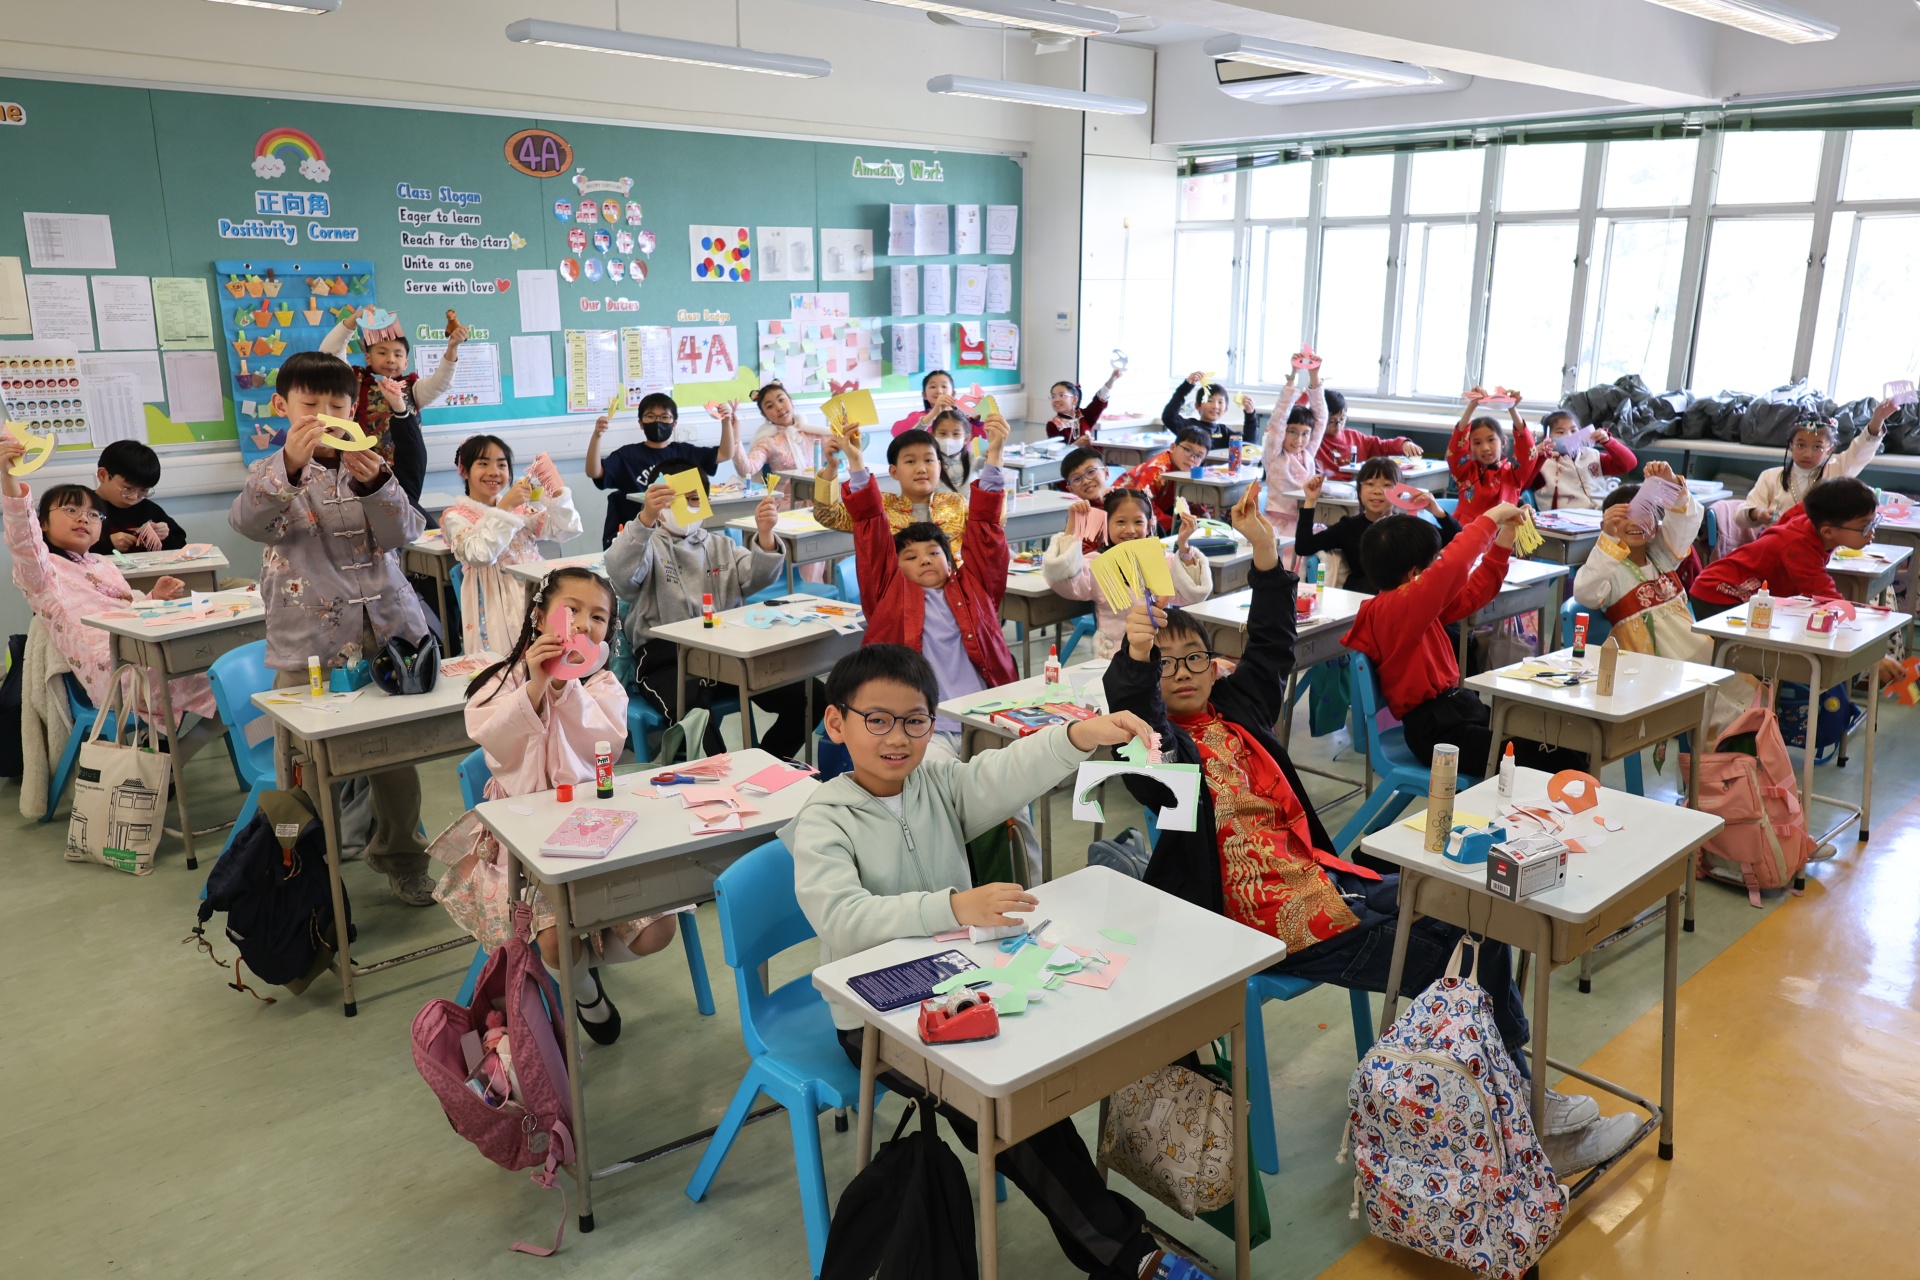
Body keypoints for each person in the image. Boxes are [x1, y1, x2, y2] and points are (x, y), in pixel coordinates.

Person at [1098, 488, 1629, 1173]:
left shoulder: (1236, 708)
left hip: (1326, 883)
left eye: (1194, 658)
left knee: (1479, 911)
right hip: (1263, 925)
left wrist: (1266, 553)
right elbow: (1137, 729)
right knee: (1453, 953)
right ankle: (1527, 1125)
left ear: (1214, 663)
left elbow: (1272, 644)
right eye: (1165, 666)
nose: (1183, 675)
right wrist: (1137, 659)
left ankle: (1514, 1095)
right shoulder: (1162, 751)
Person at [787, 643, 1203, 1280]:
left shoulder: (934, 782)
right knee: (1004, 1108)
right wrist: (954, 906)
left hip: (962, 982)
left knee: (1040, 1086)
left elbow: (1004, 772)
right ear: (836, 723)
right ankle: (1126, 1254)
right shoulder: (823, 818)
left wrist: (1079, 736)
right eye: (878, 720)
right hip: (877, 1016)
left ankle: (1120, 1240)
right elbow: (842, 918)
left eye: (915, 721)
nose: (897, 738)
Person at [429, 567, 678, 1043]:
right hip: (524, 844)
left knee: (658, 929)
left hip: (592, 827)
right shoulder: (500, 682)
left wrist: (566, 686)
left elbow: (602, 745)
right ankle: (584, 991)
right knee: (554, 938)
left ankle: (574, 967)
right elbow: (494, 740)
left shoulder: (604, 687)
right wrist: (537, 685)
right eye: (572, 611)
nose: (584, 624)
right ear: (541, 617)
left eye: (598, 617)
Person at [229, 351, 434, 906]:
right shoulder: (269, 472)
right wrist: (290, 470)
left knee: (395, 760)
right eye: (310, 404)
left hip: (386, 635)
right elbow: (248, 522)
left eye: (337, 406)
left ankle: (402, 856)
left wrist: (380, 486)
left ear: (353, 411)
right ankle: (306, 873)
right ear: (282, 407)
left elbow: (405, 534)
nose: (324, 415)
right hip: (310, 644)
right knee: (306, 765)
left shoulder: (370, 462)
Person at [1, 437, 221, 746]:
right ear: (42, 524)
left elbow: (125, 610)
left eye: (94, 515)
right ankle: (176, 752)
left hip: (139, 650)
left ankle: (170, 751)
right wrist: (7, 475)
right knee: (227, 677)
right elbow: (22, 537)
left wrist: (153, 597)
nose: (83, 518)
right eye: (71, 509)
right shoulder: (42, 571)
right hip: (114, 672)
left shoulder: (103, 563)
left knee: (224, 665)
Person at [1345, 504, 1578, 772]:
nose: (1437, 566)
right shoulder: (1395, 609)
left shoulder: (1411, 607)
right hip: (1438, 733)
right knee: (1550, 755)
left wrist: (1506, 535)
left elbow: (1471, 594)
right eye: (1433, 562)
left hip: (1458, 711)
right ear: (1414, 574)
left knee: (1557, 739)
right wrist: (1491, 517)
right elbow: (1454, 564)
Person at [606, 461, 816, 759]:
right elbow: (621, 573)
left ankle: (767, 764)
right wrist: (645, 519)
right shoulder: (647, 545)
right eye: (673, 499)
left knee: (812, 697)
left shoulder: (721, 545)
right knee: (698, 726)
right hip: (666, 657)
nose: (686, 507)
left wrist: (766, 534)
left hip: (727, 652)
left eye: (695, 499)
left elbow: (757, 576)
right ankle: (726, 775)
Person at [440, 434, 584, 656]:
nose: (494, 472)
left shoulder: (520, 510)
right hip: (494, 604)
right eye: (483, 464)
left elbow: (565, 529)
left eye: (501, 464)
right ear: (464, 471)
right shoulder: (456, 517)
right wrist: (505, 508)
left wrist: (557, 493)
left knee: (547, 655)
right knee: (507, 663)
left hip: (535, 594)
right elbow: (480, 554)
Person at [1040, 488, 1211, 660]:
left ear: (1150, 525)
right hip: (1115, 656)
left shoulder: (1161, 560)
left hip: (1162, 655)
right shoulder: (1096, 564)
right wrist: (1072, 528)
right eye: (1121, 522)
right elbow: (1066, 583)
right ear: (1106, 524)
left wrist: (1184, 545)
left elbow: (1192, 594)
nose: (1130, 530)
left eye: (1138, 522)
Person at [319, 308, 466, 507]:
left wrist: (452, 349)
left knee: (398, 516)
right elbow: (329, 353)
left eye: (398, 355)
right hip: (351, 470)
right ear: (368, 358)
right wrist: (354, 319)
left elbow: (442, 381)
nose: (390, 359)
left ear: (406, 362)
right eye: (382, 352)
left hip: (399, 476)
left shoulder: (413, 389)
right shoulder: (352, 381)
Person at [1572, 461, 1712, 662]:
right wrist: (1609, 537)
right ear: (1607, 525)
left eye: (1644, 513)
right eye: (1624, 516)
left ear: (1656, 525)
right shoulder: (1608, 570)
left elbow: (1686, 522)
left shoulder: (1662, 555)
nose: (1634, 522)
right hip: (1645, 663)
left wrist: (1671, 482)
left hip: (1693, 655)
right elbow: (1585, 593)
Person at [1691, 476, 1887, 619]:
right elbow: (1826, 597)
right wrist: (1862, 617)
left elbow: (1803, 505)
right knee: (1746, 652)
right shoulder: (1800, 547)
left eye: (1874, 522)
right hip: (1720, 593)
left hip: (1737, 590)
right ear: (1828, 531)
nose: (1872, 532)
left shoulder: (1813, 519)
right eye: (1865, 526)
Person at [587, 393, 738, 549]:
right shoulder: (627, 455)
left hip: (679, 534)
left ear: (674, 424)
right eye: (650, 416)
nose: (657, 422)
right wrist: (597, 436)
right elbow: (594, 472)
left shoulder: (685, 453)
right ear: (641, 423)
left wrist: (726, 421)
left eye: (665, 417)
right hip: (641, 534)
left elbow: (725, 454)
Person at [1294, 459, 1459, 595]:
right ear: (1359, 490)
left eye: (1387, 485)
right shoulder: (1348, 527)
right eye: (1370, 484)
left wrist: (1438, 512)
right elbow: (1304, 546)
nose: (1377, 491)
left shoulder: (1408, 525)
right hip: (1363, 595)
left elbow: (1458, 540)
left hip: (1405, 594)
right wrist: (1310, 501)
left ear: (1400, 492)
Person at [812, 424, 974, 554]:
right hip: (899, 585)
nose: (921, 469)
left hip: (953, 585)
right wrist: (832, 466)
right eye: (910, 461)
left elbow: (985, 529)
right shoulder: (881, 507)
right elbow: (828, 515)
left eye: (928, 460)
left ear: (939, 467)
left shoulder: (956, 503)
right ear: (894, 472)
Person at [1737, 403, 1892, 532]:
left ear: (1830, 449)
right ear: (1790, 445)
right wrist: (1758, 513)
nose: (1807, 454)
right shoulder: (1770, 477)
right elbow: (1740, 517)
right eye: (1800, 445)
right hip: (1777, 546)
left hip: (1821, 548)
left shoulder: (1837, 471)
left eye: (1817, 447)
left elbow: (1861, 450)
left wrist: (1877, 420)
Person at [1259, 351, 1329, 541]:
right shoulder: (1275, 454)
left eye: (1305, 433)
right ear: (1284, 431)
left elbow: (1321, 418)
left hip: (1304, 520)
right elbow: (1278, 419)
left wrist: (1314, 376)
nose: (1298, 439)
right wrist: (1292, 377)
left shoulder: (1307, 453)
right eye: (1292, 432)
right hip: (1278, 524)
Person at [1447, 388, 1539, 525]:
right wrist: (1472, 406)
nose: (1485, 447)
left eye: (1491, 440)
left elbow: (1527, 452)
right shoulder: (1465, 472)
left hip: (1502, 534)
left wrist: (1512, 408)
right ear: (1469, 447)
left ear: (1503, 441)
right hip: (1467, 533)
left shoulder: (1513, 474)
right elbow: (1456, 449)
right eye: (1477, 443)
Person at [731, 379, 833, 498]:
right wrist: (735, 434)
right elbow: (746, 470)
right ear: (764, 415)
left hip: (820, 499)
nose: (779, 408)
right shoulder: (768, 442)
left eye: (781, 400)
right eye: (770, 406)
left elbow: (843, 445)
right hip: (787, 503)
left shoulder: (813, 433)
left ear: (790, 400)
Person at [89, 440, 187, 553]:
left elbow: (182, 547)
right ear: (103, 475)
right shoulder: (82, 509)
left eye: (143, 491)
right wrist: (107, 544)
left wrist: (166, 537)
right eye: (128, 488)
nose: (134, 497)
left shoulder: (149, 510)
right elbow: (71, 551)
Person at [1530, 410, 1639, 510]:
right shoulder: (1544, 463)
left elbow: (1629, 464)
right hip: (1562, 517)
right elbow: (1524, 484)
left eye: (1574, 430)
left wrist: (1608, 441)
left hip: (1599, 513)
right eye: (1560, 432)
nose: (1569, 436)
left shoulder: (1591, 455)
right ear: (1547, 437)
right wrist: (1537, 457)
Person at [1118, 424, 1211, 534]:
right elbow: (1141, 502)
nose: (1192, 458)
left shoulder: (1186, 469)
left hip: (1153, 508)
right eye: (1187, 450)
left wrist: (1201, 513)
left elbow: (1185, 496)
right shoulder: (1157, 469)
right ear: (1173, 447)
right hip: (1123, 507)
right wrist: (1171, 524)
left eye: (1199, 456)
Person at [1314, 388, 1422, 474]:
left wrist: (1403, 443)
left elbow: (1382, 446)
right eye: (1332, 421)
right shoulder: (1314, 441)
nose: (1338, 425)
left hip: (1358, 487)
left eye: (1342, 419)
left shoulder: (1355, 437)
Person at [1162, 371, 1258, 449]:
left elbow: (1249, 443)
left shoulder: (1224, 432)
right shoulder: (1189, 428)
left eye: (1220, 402)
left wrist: (1250, 414)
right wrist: (1183, 390)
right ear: (1198, 406)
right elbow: (1169, 417)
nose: (1215, 406)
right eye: (1209, 400)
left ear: (1225, 409)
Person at [889, 368, 981, 438]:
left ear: (953, 394)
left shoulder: (965, 419)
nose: (939, 391)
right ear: (924, 395)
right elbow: (897, 433)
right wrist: (934, 413)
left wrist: (977, 418)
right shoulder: (916, 417)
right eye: (933, 387)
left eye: (944, 386)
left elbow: (985, 434)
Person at [1044, 369, 1122, 442]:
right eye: (1053, 396)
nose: (1056, 400)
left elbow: (1099, 401)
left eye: (1062, 395)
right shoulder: (1053, 425)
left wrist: (1111, 380)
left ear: (1074, 400)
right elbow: (1057, 450)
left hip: (1091, 452)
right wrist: (1076, 445)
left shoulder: (1084, 415)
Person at [928, 407, 974, 493]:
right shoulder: (928, 463)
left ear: (966, 439)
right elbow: (910, 441)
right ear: (933, 436)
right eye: (943, 433)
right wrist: (930, 416)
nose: (949, 439)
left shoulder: (974, 460)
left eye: (956, 434)